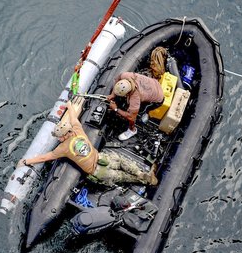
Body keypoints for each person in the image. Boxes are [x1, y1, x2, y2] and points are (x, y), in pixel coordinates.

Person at [17, 97, 157, 186]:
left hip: (96, 170)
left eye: (59, 137)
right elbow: (73, 119)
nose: (59, 139)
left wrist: (25, 162)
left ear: (63, 136)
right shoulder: (78, 130)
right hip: (102, 158)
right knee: (121, 161)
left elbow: (44, 157)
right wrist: (70, 106)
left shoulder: (63, 149)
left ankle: (143, 179)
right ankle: (140, 173)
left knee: (121, 176)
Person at [107, 72, 164, 141]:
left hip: (157, 98)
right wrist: (113, 94)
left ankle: (132, 130)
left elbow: (131, 117)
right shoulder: (126, 76)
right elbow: (118, 78)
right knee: (132, 108)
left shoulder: (135, 97)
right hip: (155, 84)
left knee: (137, 113)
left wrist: (116, 109)